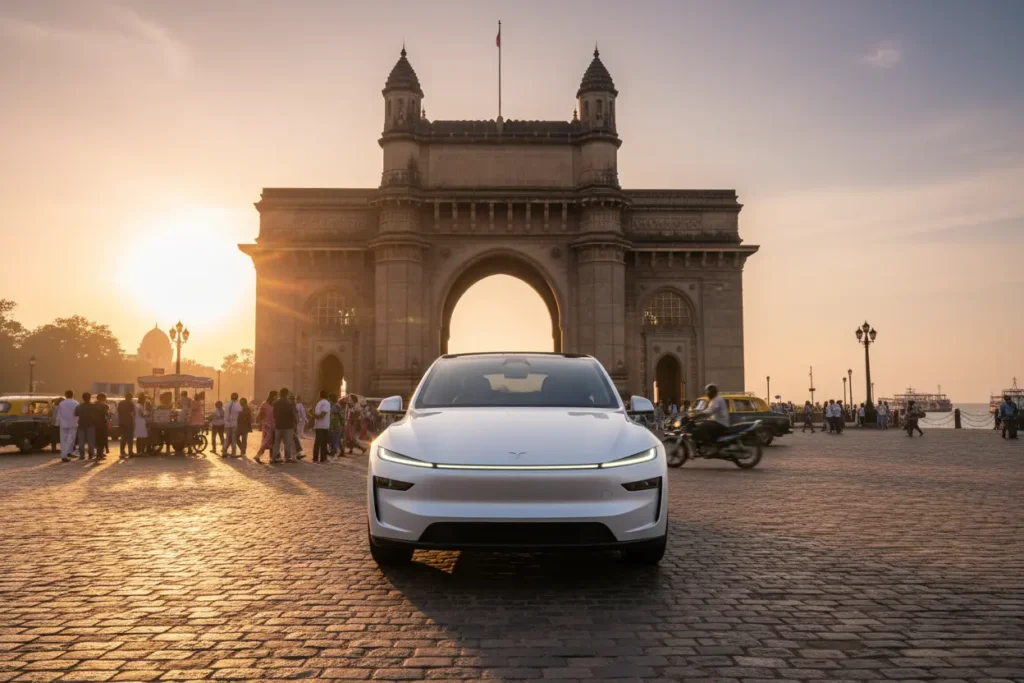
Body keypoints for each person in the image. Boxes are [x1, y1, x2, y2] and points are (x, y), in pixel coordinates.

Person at [273, 387, 297, 463]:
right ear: (287, 394)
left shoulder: (275, 403)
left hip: (278, 425)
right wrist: (295, 423)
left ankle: (274, 457)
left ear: (280, 393)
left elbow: (273, 414)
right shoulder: (290, 403)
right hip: (288, 425)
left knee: (277, 442)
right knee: (287, 442)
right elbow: (293, 415)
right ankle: (287, 457)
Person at [254, 390, 278, 463]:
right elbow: (259, 413)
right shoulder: (265, 404)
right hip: (267, 426)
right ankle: (258, 455)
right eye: (276, 395)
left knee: (272, 442)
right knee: (266, 441)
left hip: (273, 425)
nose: (277, 397)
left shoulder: (275, 404)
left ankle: (272, 458)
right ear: (273, 396)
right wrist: (258, 421)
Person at [56, 390, 79, 462]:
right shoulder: (76, 403)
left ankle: (66, 454)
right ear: (73, 395)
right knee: (71, 439)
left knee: (63, 440)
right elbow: (77, 414)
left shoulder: (61, 403)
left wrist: (57, 423)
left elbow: (59, 414)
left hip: (63, 423)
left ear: (65, 395)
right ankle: (66, 455)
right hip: (73, 423)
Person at [73, 392, 99, 460]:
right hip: (91, 425)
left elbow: (75, 414)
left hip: (81, 425)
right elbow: (96, 416)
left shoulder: (79, 406)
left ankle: (82, 455)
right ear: (90, 398)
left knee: (81, 442)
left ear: (83, 398)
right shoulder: (93, 406)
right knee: (91, 441)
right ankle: (91, 455)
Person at [312, 390, 331, 463]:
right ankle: (323, 458)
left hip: (318, 425)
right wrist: (316, 416)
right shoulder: (326, 403)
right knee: (323, 443)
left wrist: (314, 416)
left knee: (317, 442)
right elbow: (322, 415)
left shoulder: (318, 403)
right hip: (324, 426)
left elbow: (318, 415)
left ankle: (315, 458)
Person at [223, 392, 242, 457]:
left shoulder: (227, 404)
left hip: (227, 423)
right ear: (237, 397)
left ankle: (224, 451)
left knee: (227, 438)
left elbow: (224, 411)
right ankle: (233, 453)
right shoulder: (237, 405)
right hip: (234, 424)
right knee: (234, 439)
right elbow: (240, 411)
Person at [118, 393, 135, 458]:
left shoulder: (120, 403)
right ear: (130, 398)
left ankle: (122, 452)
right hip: (129, 423)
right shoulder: (131, 403)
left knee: (123, 437)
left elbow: (119, 412)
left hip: (122, 422)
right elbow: (132, 413)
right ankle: (130, 452)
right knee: (130, 438)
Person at [95, 393, 110, 458]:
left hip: (95, 425)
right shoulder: (104, 406)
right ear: (103, 398)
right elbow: (107, 416)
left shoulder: (93, 405)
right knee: (102, 439)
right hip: (102, 425)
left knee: (98, 439)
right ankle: (100, 454)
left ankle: (99, 453)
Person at [328, 393, 343, 457]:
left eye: (329, 398)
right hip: (335, 423)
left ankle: (333, 451)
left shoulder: (335, 406)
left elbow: (338, 415)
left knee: (334, 437)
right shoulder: (335, 405)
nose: (328, 399)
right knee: (336, 438)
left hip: (335, 423)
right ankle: (340, 451)